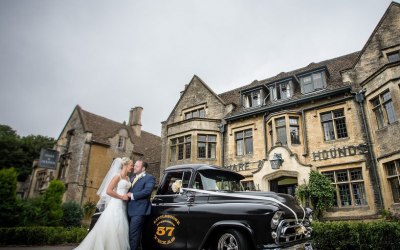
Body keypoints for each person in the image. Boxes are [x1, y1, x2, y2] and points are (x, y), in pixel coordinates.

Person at [74, 157, 133, 250]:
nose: (132, 167)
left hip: (124, 205)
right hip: (116, 204)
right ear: (125, 165)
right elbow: (108, 191)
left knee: (121, 228)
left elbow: (126, 190)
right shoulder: (117, 176)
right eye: (131, 165)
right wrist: (121, 197)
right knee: (114, 225)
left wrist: (128, 195)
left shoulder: (128, 177)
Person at [127, 160, 155, 250]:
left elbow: (147, 191)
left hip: (139, 211)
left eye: (137, 166)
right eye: (134, 165)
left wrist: (132, 195)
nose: (134, 167)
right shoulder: (131, 178)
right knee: (126, 233)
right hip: (127, 210)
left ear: (143, 168)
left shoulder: (149, 178)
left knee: (133, 234)